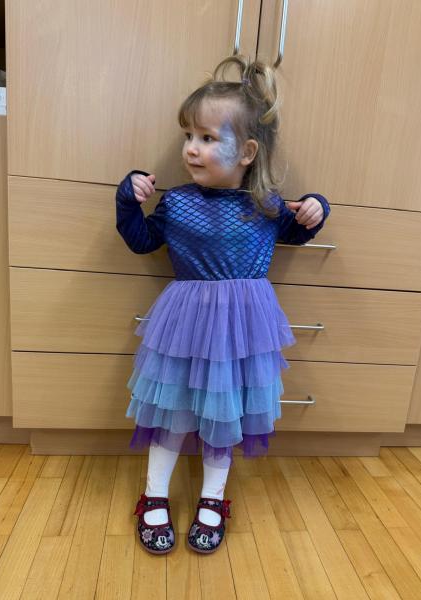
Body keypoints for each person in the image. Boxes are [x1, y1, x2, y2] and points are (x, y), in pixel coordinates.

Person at [115, 54, 331, 555]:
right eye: (189, 136)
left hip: (242, 327)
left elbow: (300, 230)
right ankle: (154, 494)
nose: (191, 148)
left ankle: (213, 498)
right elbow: (143, 241)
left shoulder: (268, 206)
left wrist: (316, 207)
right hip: (186, 323)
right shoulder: (177, 202)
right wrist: (128, 202)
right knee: (173, 411)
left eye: (208, 138)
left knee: (224, 413)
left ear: (247, 151)